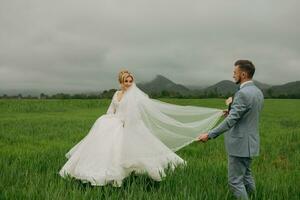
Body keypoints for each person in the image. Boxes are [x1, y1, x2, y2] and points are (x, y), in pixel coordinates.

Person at [59, 70, 223, 187]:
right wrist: (110, 119)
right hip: (115, 123)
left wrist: (126, 122)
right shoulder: (116, 94)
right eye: (126, 81)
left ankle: (131, 173)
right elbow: (111, 110)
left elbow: (136, 114)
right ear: (120, 82)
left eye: (131, 81)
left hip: (130, 125)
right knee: (106, 149)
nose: (129, 83)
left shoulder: (137, 96)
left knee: (134, 152)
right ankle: (102, 175)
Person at [198, 60, 264, 199]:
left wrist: (209, 135)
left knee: (235, 182)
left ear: (244, 74)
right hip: (251, 143)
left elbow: (231, 121)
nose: (233, 75)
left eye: (235, 72)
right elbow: (247, 114)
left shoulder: (242, 93)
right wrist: (231, 110)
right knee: (246, 176)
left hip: (240, 144)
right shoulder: (258, 92)